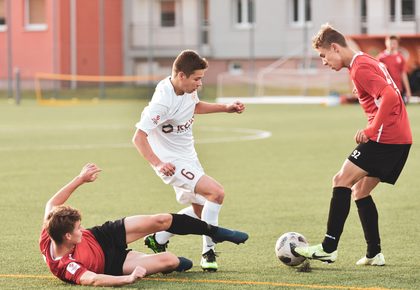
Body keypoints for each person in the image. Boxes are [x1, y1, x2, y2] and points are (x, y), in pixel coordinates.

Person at [295, 24, 412, 266]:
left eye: (323, 55)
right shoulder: (363, 62)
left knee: (341, 180)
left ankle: (328, 247)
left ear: (335, 48)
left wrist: (371, 130)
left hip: (386, 137)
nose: (324, 62)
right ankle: (374, 253)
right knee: (360, 191)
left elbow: (390, 95)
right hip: (399, 138)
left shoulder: (360, 67)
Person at [39, 163, 248, 286]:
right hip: (111, 264)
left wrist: (80, 178)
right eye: (78, 228)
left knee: (160, 220)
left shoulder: (51, 229)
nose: (81, 229)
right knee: (171, 260)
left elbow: (52, 203)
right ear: (67, 236)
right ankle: (167, 262)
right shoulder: (65, 265)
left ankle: (214, 232)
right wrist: (127, 279)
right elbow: (93, 279)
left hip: (103, 236)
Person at [132, 50, 245, 272]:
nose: (200, 84)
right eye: (197, 79)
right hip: (171, 162)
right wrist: (158, 164)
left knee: (201, 209)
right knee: (216, 193)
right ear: (181, 75)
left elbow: (194, 106)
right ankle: (208, 251)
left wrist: (226, 108)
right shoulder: (162, 102)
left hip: (188, 157)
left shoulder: (185, 90)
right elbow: (138, 137)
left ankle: (159, 238)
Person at [377, 35, 412, 104]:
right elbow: (377, 74)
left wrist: (408, 90)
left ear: (397, 44)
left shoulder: (400, 57)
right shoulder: (381, 57)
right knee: (389, 111)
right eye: (390, 43)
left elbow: (403, 74)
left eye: (394, 43)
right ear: (386, 43)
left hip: (399, 88)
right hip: (386, 89)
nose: (392, 45)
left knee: (401, 111)